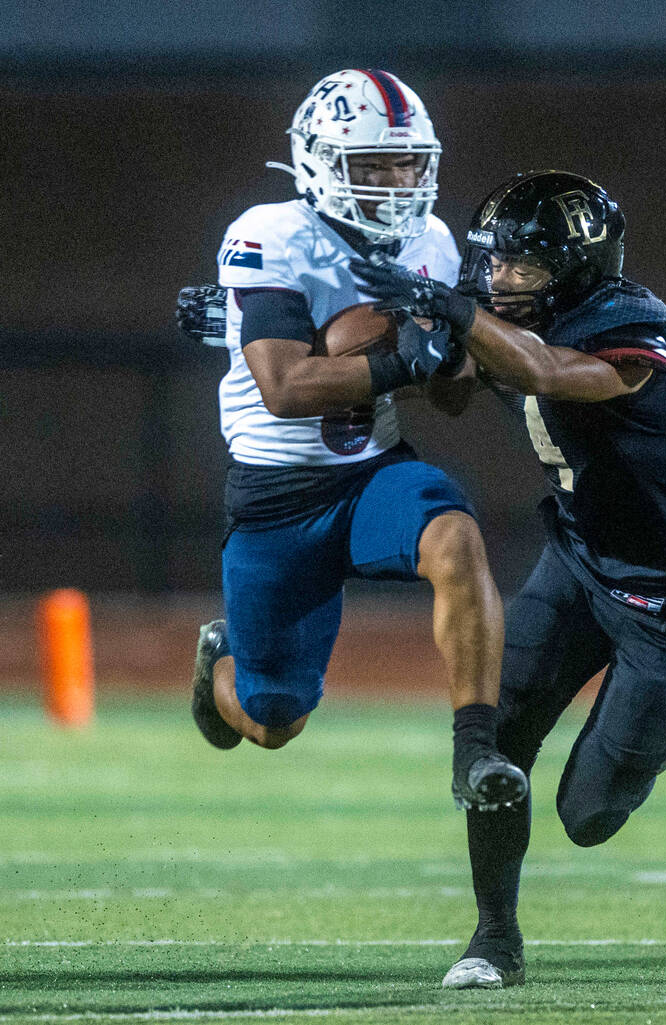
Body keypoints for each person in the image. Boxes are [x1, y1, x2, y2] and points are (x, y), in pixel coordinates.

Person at [352, 170, 666, 988]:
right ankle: (494, 938)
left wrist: (459, 313)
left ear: (577, 266)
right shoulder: (498, 309)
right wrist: (412, 337)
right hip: (577, 559)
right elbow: (455, 394)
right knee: (498, 738)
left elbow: (548, 372)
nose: (499, 279)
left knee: (587, 815)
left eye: (522, 267)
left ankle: (650, 732)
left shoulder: (638, 323)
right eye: (491, 263)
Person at [183, 68, 527, 816]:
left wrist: (452, 353)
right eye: (372, 164)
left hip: (373, 469)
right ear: (318, 160)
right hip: (277, 494)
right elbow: (284, 387)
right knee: (274, 719)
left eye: (407, 161)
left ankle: (476, 748)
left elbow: (454, 398)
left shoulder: (431, 240)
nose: (396, 180)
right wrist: (404, 356)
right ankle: (221, 668)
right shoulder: (270, 234)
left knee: (455, 537)